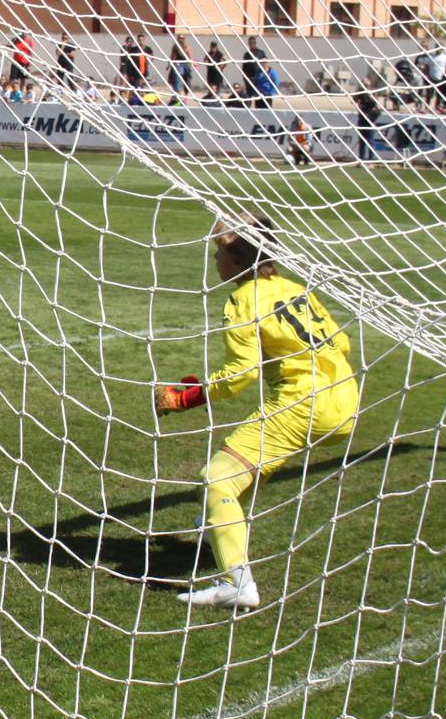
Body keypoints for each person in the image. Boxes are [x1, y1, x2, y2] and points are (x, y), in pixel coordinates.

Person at [154, 215, 359, 611]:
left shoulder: (243, 298)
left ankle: (237, 584)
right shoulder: (295, 288)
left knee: (216, 479)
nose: (215, 261)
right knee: (246, 471)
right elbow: (343, 343)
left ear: (238, 257)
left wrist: (185, 398)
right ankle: (216, 525)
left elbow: (240, 376)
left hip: (303, 404)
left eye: (219, 252)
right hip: (345, 399)